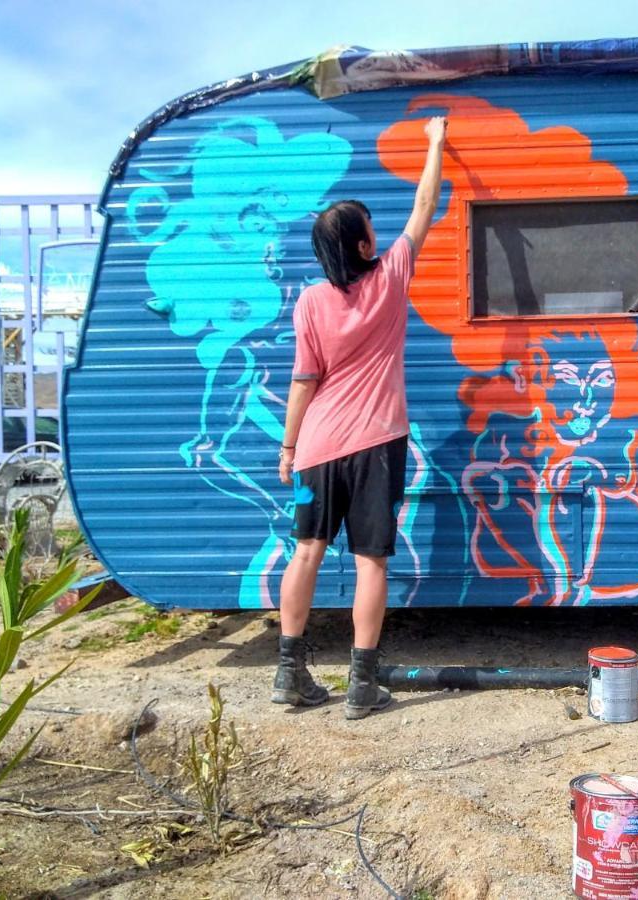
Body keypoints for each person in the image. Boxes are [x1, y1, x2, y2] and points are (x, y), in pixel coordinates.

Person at [273, 115, 447, 718]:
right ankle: (361, 684)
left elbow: (303, 382)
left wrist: (288, 449)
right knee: (370, 560)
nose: (380, 232)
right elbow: (426, 203)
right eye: (372, 227)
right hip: (376, 443)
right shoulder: (393, 276)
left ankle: (289, 673)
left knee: (307, 551)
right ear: (366, 245)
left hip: (317, 447)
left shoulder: (312, 301)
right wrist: (435, 142)